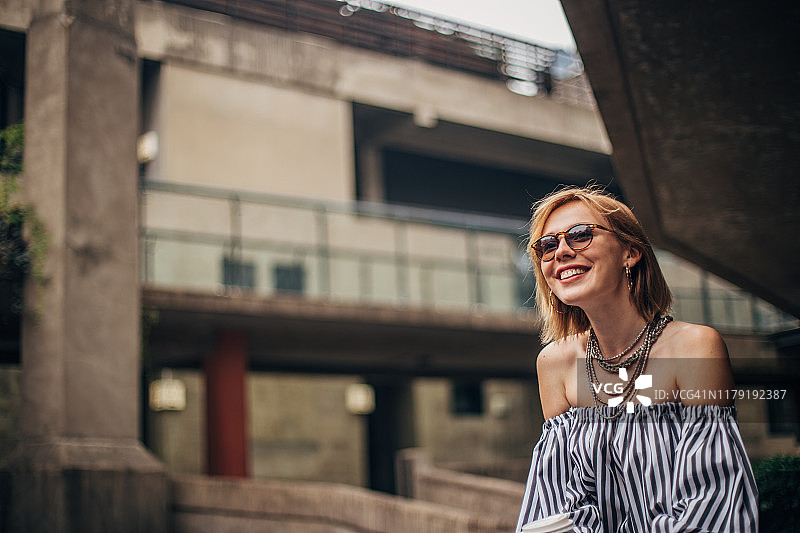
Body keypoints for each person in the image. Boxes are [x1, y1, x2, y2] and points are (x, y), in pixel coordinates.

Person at [515, 187, 758, 532]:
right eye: (547, 245)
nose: (562, 252)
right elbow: (555, 507)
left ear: (630, 252)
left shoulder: (692, 348)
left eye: (581, 235)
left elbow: (713, 506)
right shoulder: (556, 363)